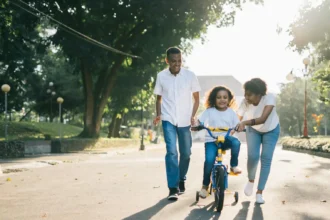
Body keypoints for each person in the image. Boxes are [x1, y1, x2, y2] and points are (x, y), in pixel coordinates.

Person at [153, 47, 201, 201]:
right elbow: (159, 98)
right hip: (168, 119)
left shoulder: (190, 75)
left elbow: (197, 98)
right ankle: (173, 188)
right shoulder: (161, 76)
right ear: (167, 61)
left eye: (179, 61)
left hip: (185, 120)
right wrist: (159, 114)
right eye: (173, 61)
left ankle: (182, 179)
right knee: (172, 152)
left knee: (186, 153)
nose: (177, 64)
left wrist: (193, 116)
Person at [235, 78, 280, 204]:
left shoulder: (269, 98)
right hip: (253, 130)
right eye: (245, 94)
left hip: (271, 130)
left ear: (259, 94)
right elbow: (236, 119)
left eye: (249, 94)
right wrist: (230, 130)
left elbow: (263, 119)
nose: (246, 97)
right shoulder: (245, 102)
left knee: (266, 158)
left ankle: (259, 192)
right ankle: (250, 180)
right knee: (252, 156)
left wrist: (244, 122)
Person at [196, 86, 242, 198]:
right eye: (219, 97)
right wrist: (197, 125)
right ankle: (204, 187)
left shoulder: (231, 112)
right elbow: (199, 121)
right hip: (211, 140)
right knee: (209, 161)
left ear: (229, 99)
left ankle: (233, 165)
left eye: (225, 97)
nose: (222, 100)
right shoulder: (209, 111)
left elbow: (237, 124)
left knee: (236, 142)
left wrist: (237, 127)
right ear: (214, 99)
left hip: (225, 138)